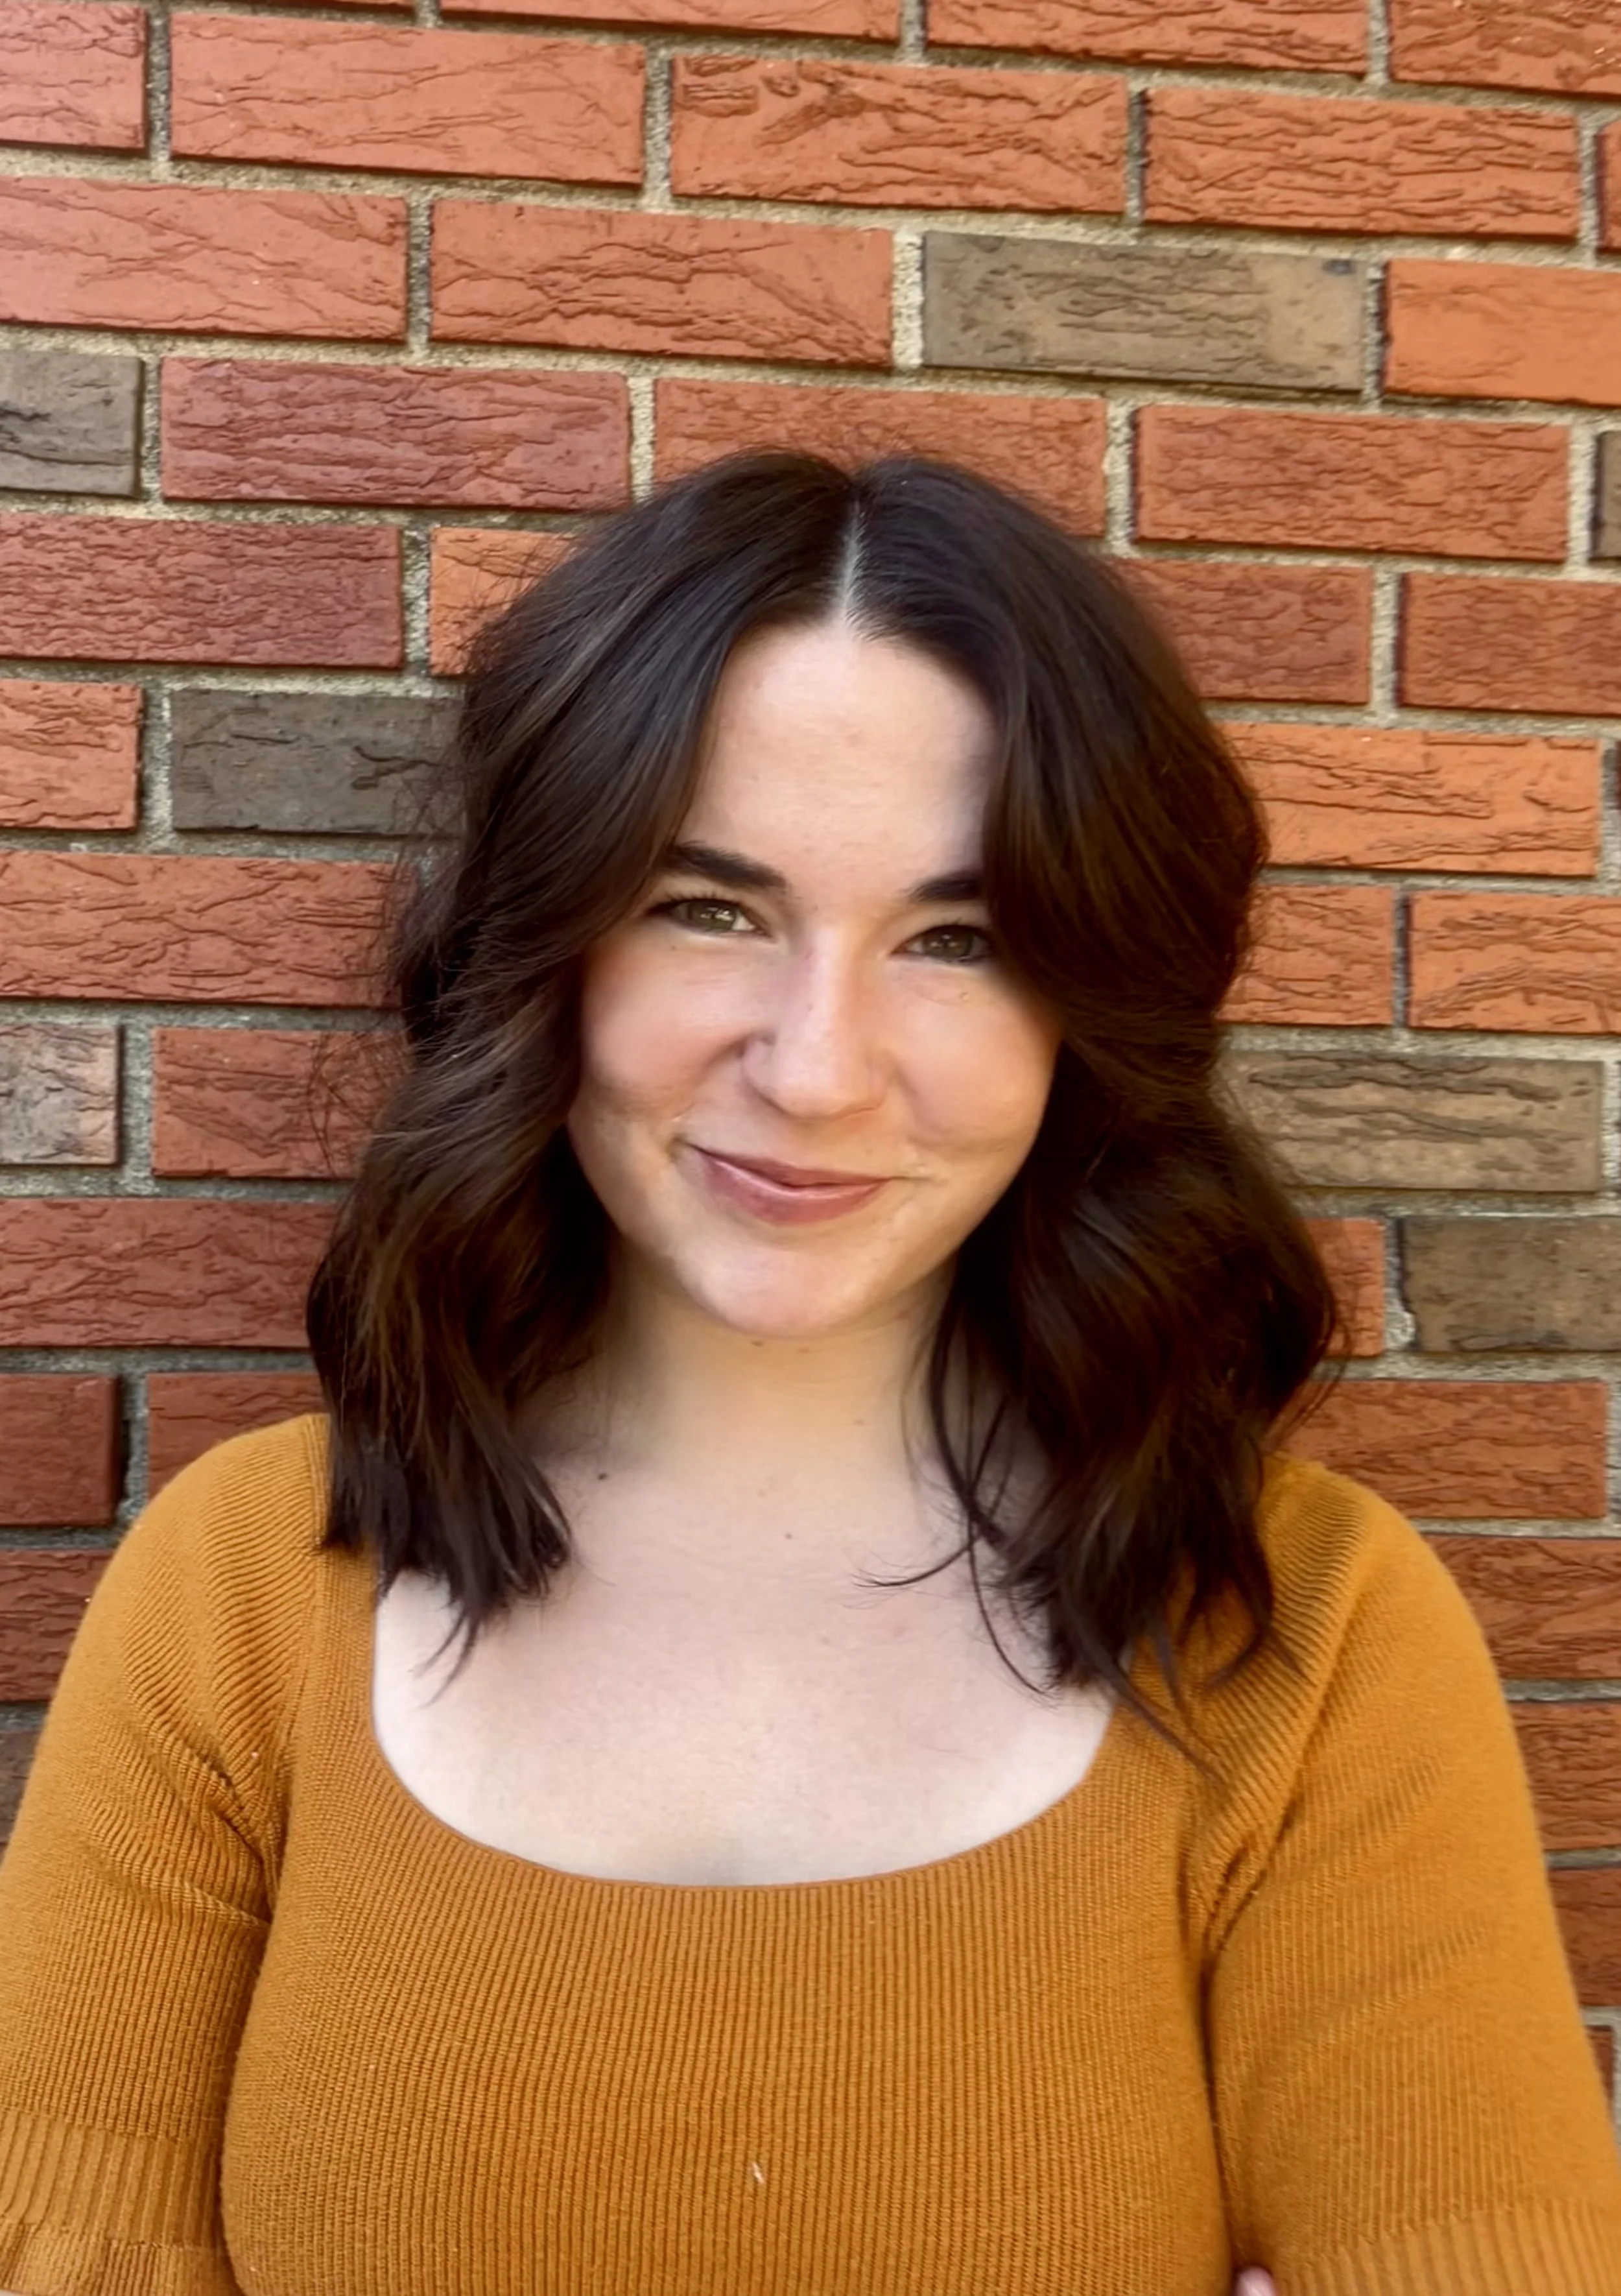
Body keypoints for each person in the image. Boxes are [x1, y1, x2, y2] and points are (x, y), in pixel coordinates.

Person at [0, 451, 1616, 2296]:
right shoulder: (238, 1598)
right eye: (710, 906)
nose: (821, 1065)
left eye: (960, 937)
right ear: (552, 945)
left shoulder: (1301, 1639)